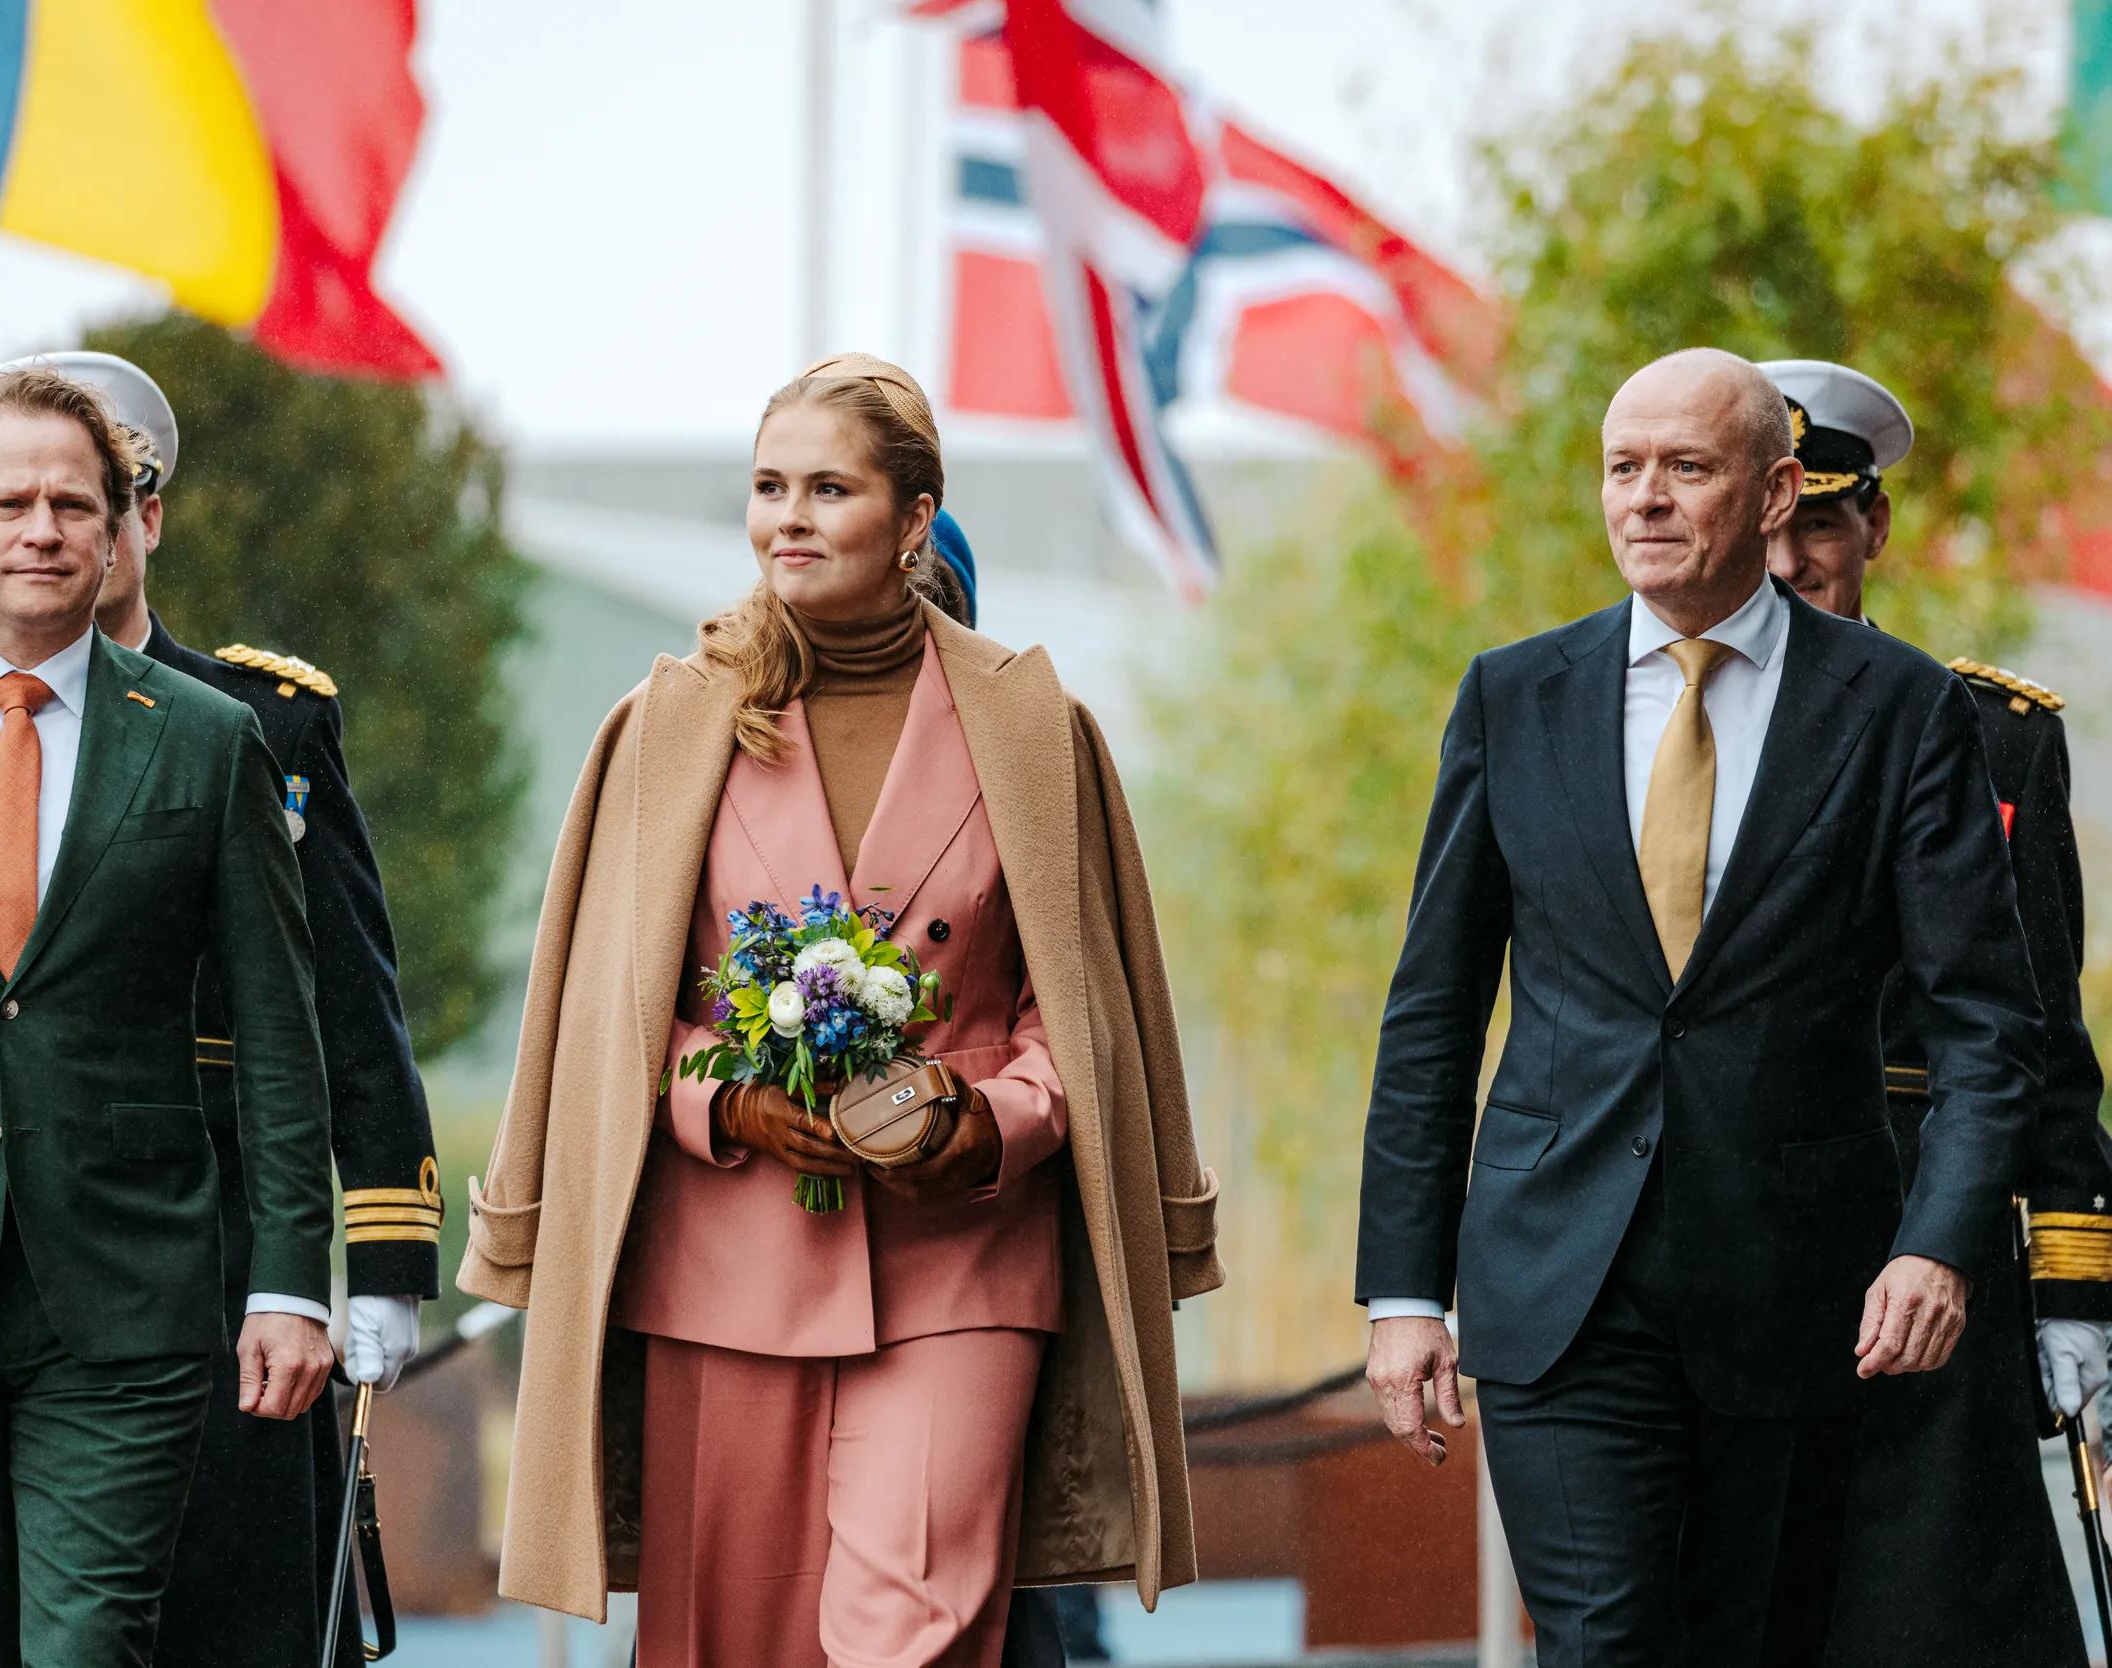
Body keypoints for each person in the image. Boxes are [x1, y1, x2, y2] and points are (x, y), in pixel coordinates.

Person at [458, 353, 1221, 1667]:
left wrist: (986, 1122)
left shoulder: (1033, 726)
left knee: (911, 1636)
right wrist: (730, 1103)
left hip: (964, 1259)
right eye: (769, 488)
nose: (789, 519)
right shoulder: (668, 724)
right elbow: (611, 1022)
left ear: (915, 517)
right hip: (726, 1261)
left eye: (829, 488)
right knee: (726, 1643)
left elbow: (1080, 1022)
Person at [1356, 347, 2045, 1665]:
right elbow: (1435, 1007)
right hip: (1560, 1286)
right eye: (1624, 468)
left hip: (1799, 1293)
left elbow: (1987, 1024)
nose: (1647, 498)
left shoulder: (1899, 709)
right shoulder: (1514, 696)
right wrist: (1401, 1288)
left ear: (1777, 492)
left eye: (1686, 467)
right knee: (1603, 1642)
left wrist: (1939, 1246)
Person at [0, 351, 440, 1666]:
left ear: (141, 513)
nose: (62, 527)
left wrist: (381, 1253)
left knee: (230, 1612)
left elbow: (338, 1000)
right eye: (21, 500)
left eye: (99, 496)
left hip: (219, 1236)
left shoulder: (258, 723)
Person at [1761, 357, 2109, 1664]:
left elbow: (2043, 1028)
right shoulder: (1655, 729)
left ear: (1877, 527)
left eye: (1819, 523)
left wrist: (2075, 1283)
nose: (1789, 561)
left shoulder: (1995, 734)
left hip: (1932, 1217)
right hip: (1733, 1223)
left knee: (1943, 1614)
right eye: (1768, 525)